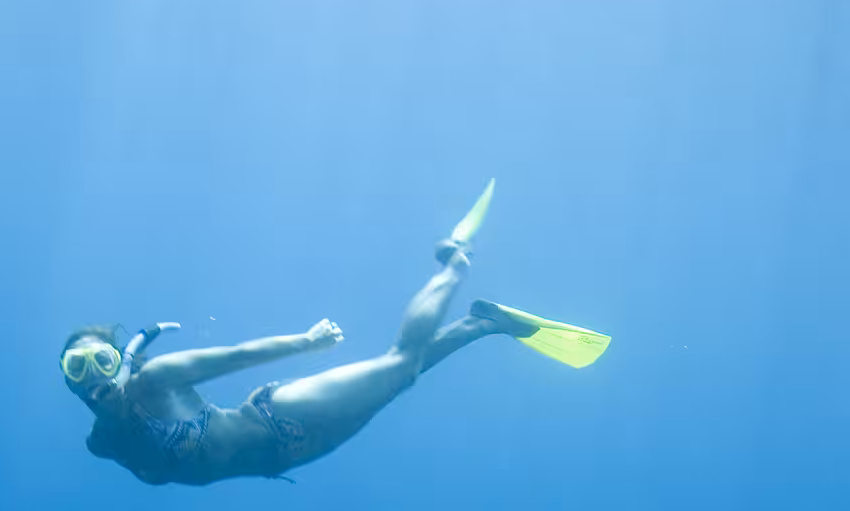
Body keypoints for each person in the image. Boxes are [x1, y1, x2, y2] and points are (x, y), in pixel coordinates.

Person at [59, 181, 609, 487]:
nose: (94, 377)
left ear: (119, 360)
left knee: (398, 363)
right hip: (292, 456)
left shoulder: (155, 379)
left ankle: (455, 261)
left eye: (101, 361)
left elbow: (236, 356)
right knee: (403, 379)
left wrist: (305, 343)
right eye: (77, 370)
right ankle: (482, 323)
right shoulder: (103, 444)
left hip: (277, 417)